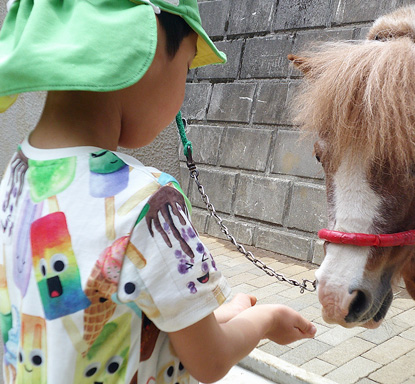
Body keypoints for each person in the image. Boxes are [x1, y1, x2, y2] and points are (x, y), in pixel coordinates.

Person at [0, 1, 316, 383]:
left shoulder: (19, 171)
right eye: (186, 69)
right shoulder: (149, 204)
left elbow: (99, 314)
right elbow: (210, 360)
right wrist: (267, 319)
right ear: (144, 48)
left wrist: (224, 315)